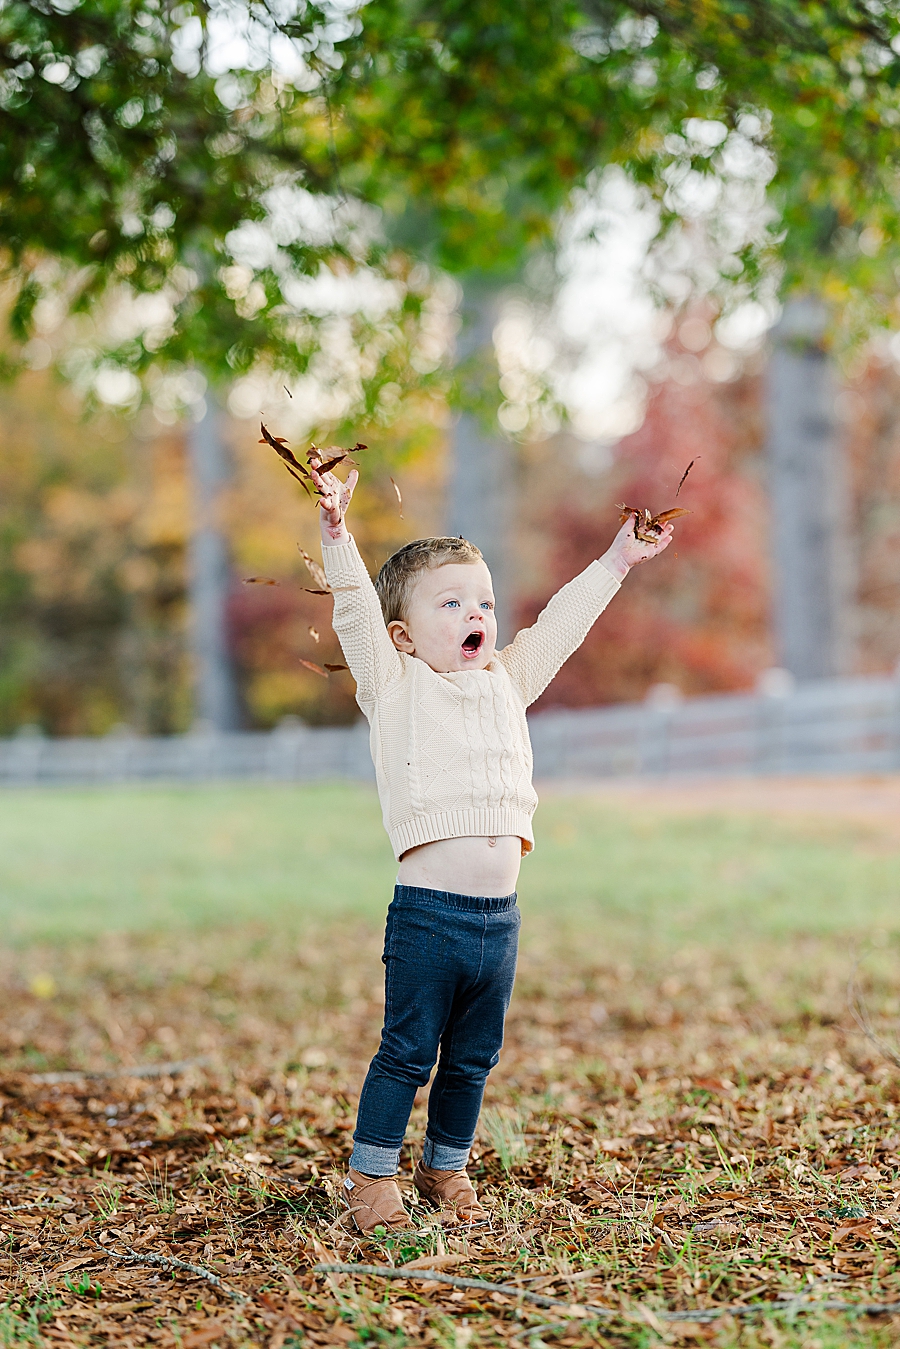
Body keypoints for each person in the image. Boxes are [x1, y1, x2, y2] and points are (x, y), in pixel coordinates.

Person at [310, 455, 673, 1233]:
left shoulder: (508, 680)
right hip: (429, 917)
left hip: (499, 920)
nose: (477, 612)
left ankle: (445, 1165)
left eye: (484, 600)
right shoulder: (396, 686)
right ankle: (370, 1179)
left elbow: (564, 625)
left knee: (473, 1059)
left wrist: (617, 558)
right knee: (407, 1053)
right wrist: (337, 532)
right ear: (403, 636)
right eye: (452, 603)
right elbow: (353, 612)